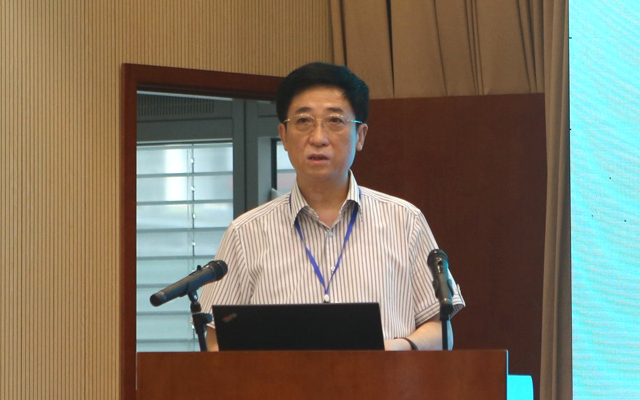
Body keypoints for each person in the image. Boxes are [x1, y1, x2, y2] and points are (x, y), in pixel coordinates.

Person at [199, 62, 465, 351]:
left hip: (385, 379)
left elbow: (440, 328)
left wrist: (398, 349)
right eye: (303, 121)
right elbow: (215, 338)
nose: (318, 138)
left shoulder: (405, 221)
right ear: (284, 135)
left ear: (360, 136)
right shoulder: (245, 233)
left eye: (335, 121)